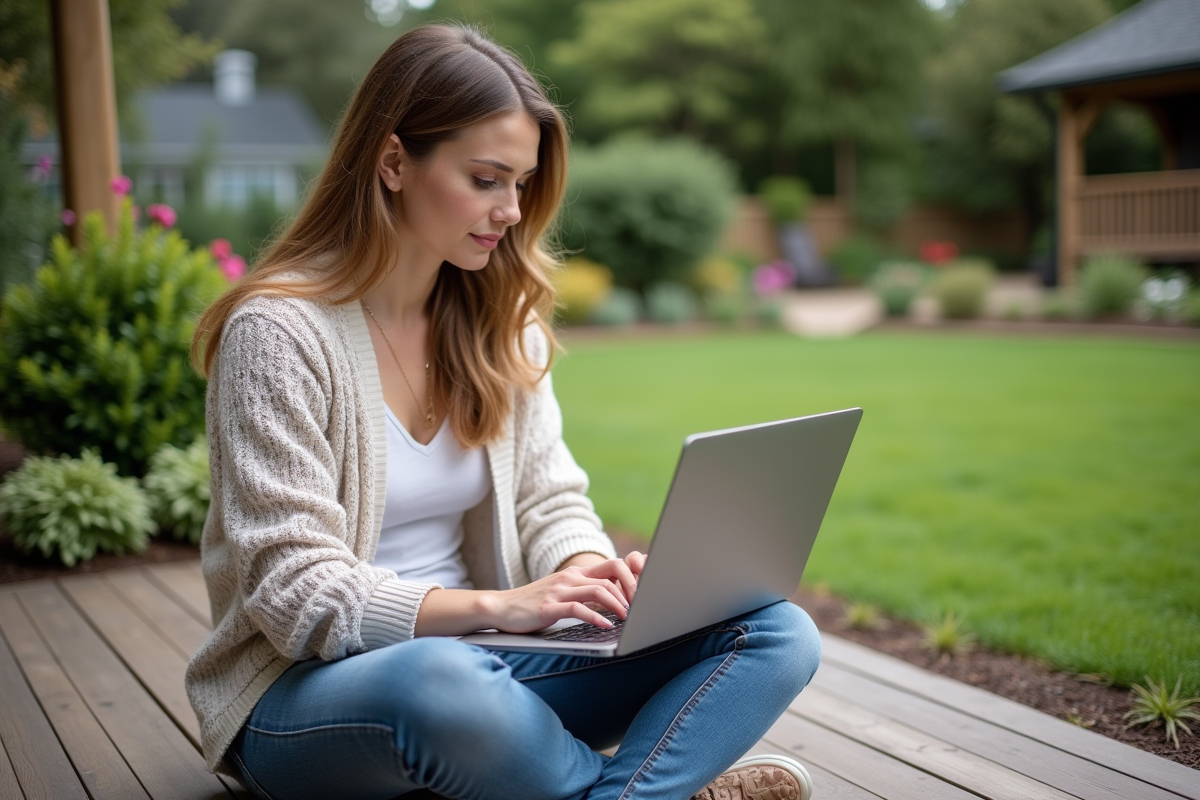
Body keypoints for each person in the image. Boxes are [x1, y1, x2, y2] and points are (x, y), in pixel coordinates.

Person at [185, 23, 822, 800]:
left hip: (490, 674)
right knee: (440, 677)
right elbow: (293, 592)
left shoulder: (500, 322)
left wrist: (591, 581)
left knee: (777, 629)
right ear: (392, 162)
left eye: (520, 184)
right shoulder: (278, 335)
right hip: (307, 700)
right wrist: (500, 607)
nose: (513, 210)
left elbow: (549, 499)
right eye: (487, 179)